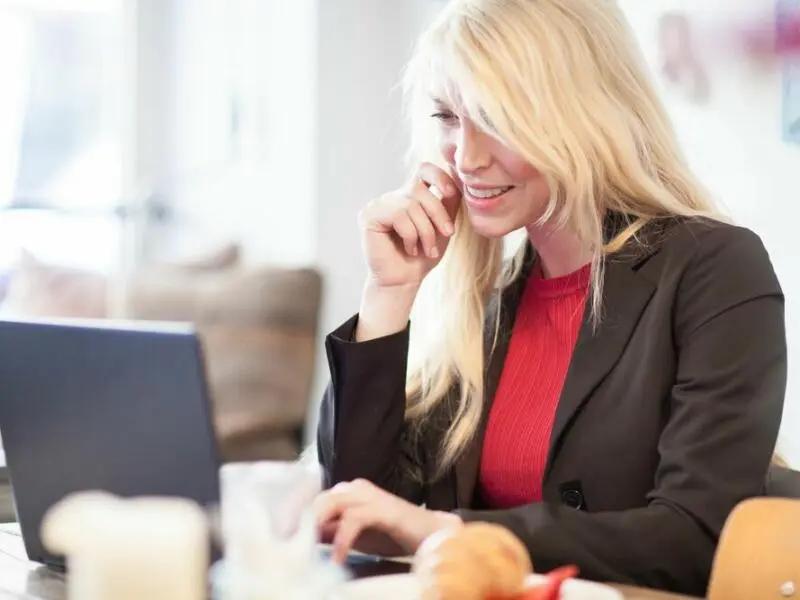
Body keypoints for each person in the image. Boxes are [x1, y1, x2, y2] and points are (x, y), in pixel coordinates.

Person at [312, 0, 787, 596]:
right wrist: (389, 293)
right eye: (447, 117)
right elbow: (359, 516)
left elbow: (695, 537)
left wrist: (449, 532)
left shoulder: (714, 266)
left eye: (498, 117)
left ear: (584, 114)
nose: (467, 157)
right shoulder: (483, 297)